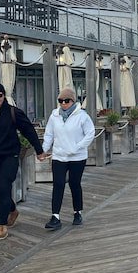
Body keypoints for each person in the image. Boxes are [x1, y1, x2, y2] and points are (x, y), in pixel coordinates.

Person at [0, 81, 44, 241]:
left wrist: (39, 150)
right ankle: (12, 209)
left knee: (4, 187)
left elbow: (28, 130)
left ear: (4, 96)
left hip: (10, 156)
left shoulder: (13, 112)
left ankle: (1, 226)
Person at [40, 86, 96, 230]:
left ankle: (77, 212)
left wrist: (77, 147)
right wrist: (43, 150)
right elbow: (49, 134)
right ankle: (55, 216)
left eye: (66, 101)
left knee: (74, 183)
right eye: (60, 101)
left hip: (77, 157)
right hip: (59, 156)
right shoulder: (54, 116)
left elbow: (90, 133)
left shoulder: (82, 116)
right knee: (58, 184)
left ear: (73, 101)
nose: (63, 103)